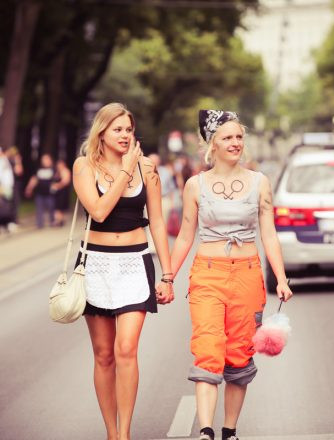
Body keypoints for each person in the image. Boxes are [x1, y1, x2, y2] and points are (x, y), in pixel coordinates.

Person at [170, 110, 293, 440]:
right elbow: (185, 234)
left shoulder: (259, 182)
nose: (235, 142)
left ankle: (229, 431)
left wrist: (280, 278)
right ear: (212, 143)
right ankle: (206, 432)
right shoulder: (195, 186)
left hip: (248, 275)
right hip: (207, 276)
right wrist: (168, 276)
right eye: (227, 137)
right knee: (208, 349)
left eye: (239, 137)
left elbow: (269, 234)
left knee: (239, 355)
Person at [72, 102, 174, 440]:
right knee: (103, 355)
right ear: (101, 132)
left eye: (129, 130)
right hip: (96, 264)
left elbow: (157, 221)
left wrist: (168, 273)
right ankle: (112, 433)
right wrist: (125, 171)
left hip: (134, 262)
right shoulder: (84, 167)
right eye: (118, 129)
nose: (125, 135)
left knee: (126, 349)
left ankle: (125, 434)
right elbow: (99, 211)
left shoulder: (147, 168)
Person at [24, 153, 56, 228]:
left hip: (50, 193)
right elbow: (34, 179)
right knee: (39, 208)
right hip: (39, 193)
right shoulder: (39, 169)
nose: (45, 161)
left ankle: (52, 221)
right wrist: (29, 188)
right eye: (43, 159)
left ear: (50, 160)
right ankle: (40, 224)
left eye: (47, 159)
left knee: (51, 207)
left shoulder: (54, 169)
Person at [52, 159, 72, 226]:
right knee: (57, 206)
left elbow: (66, 182)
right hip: (57, 192)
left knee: (60, 206)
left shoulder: (65, 171)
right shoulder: (57, 172)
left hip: (63, 192)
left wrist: (57, 186)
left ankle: (59, 220)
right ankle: (59, 220)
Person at [0, 147, 15, 231]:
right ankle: (4, 223)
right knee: (3, 205)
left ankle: (9, 223)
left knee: (7, 204)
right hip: (2, 186)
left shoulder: (5, 160)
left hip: (7, 186)